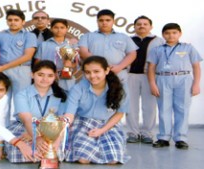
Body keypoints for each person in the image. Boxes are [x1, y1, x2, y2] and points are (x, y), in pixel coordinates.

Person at [64, 56, 130, 164]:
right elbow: (69, 114)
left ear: (107, 70)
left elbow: (119, 113)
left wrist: (102, 130)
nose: (92, 76)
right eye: (88, 72)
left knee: (113, 160)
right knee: (83, 159)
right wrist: (62, 130)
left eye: (96, 71)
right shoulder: (78, 88)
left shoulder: (120, 89)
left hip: (108, 125)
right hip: (82, 123)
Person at [147, 23, 202, 149]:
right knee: (164, 109)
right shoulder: (157, 50)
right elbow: (151, 68)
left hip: (183, 79)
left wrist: (196, 84)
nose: (171, 35)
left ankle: (181, 138)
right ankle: (163, 138)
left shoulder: (188, 48)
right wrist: (152, 84)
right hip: (163, 78)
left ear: (180, 33)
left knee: (182, 109)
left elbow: (196, 67)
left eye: (174, 32)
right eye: (167, 33)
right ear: (163, 35)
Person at [5, 60, 67, 163]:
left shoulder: (61, 95)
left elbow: (62, 121)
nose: (45, 79)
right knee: (21, 153)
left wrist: (55, 140)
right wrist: (37, 138)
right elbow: (27, 119)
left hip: (52, 129)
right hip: (25, 126)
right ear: (32, 75)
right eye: (40, 75)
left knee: (54, 152)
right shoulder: (22, 95)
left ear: (55, 77)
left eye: (50, 76)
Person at [78, 9, 138, 94]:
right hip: (95, 75)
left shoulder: (124, 37)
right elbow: (83, 52)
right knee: (94, 101)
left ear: (113, 21)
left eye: (108, 20)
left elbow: (132, 54)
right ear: (97, 21)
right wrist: (100, 67)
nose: (104, 23)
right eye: (101, 20)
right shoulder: (87, 36)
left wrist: (119, 67)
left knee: (119, 102)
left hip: (118, 74)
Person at [126, 16, 164, 144]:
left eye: (145, 24)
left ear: (151, 26)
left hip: (150, 77)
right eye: (139, 24)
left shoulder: (159, 41)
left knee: (150, 106)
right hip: (130, 76)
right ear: (134, 26)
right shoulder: (128, 40)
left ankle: (147, 133)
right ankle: (133, 133)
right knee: (131, 106)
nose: (142, 26)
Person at [0, 9, 37, 97]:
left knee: (21, 98)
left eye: (16, 20)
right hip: (2, 70)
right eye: (10, 20)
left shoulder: (29, 35)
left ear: (23, 22)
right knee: (1, 99)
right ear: (7, 21)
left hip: (21, 70)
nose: (13, 22)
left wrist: (3, 67)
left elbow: (28, 56)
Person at [35, 18, 79, 91]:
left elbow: (75, 64)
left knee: (66, 98)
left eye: (62, 27)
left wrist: (68, 66)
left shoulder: (71, 44)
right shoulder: (44, 44)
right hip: (47, 77)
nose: (59, 30)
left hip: (66, 78)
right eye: (56, 27)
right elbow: (38, 62)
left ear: (66, 29)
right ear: (51, 29)